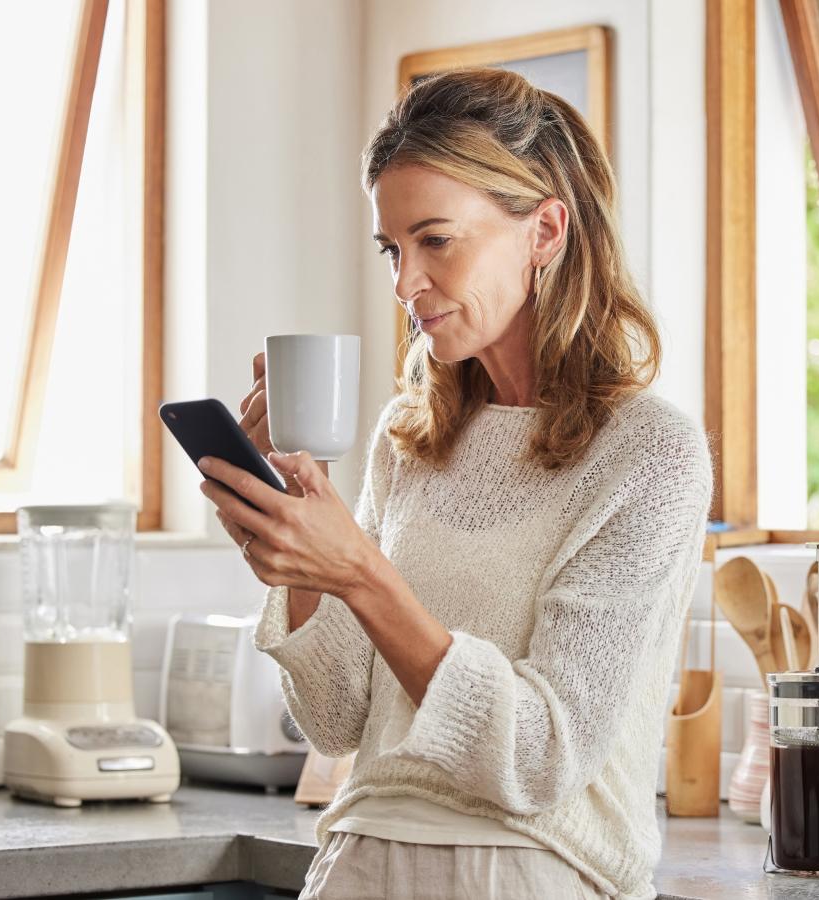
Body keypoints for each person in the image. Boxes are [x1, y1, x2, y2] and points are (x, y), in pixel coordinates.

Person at [197, 67, 713, 900]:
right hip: (359, 862)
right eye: (392, 249)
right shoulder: (411, 441)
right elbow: (336, 721)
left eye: (436, 240)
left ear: (544, 230)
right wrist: (300, 563)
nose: (405, 284)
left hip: (529, 874)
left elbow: (542, 756)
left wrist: (360, 573)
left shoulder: (649, 455)